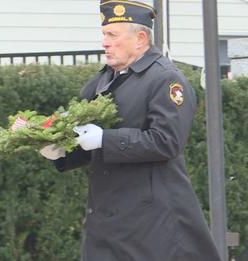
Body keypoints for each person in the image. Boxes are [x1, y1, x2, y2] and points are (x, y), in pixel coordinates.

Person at [39, 1, 223, 260]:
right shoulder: (102, 80)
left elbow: (167, 142)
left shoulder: (165, 79)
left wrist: (105, 139)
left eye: (112, 35)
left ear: (140, 38)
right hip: (105, 220)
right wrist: (60, 151)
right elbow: (90, 142)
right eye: (104, 34)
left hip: (150, 224)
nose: (104, 43)